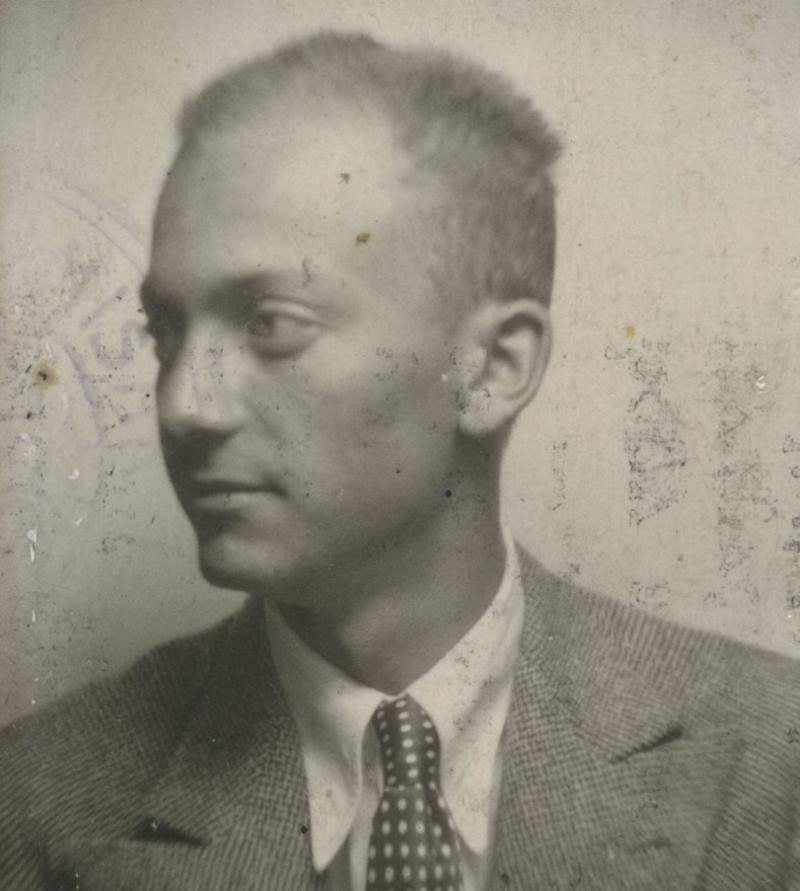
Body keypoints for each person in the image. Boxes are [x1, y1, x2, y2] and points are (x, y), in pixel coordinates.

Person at [2, 30, 799, 891]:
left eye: (272, 324)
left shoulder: (768, 765)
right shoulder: (36, 804)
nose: (185, 405)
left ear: (492, 369)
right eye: (167, 331)